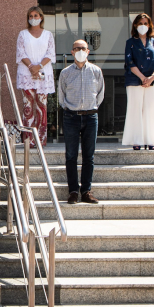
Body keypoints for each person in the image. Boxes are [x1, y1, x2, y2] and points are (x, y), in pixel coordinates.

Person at [59, 39, 104, 205]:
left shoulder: (96, 71)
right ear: (72, 52)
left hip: (91, 117)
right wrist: (69, 109)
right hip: (71, 117)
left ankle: (86, 191)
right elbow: (61, 96)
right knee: (70, 156)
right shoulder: (65, 73)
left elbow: (100, 93)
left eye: (83, 48)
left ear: (88, 51)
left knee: (88, 156)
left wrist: (92, 109)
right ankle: (73, 191)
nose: (80, 50)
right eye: (76, 48)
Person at [122, 13, 154, 151]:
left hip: (152, 81)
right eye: (140, 23)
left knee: (150, 110)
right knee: (135, 109)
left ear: (150, 26)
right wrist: (143, 78)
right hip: (134, 80)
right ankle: (136, 140)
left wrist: (152, 76)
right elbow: (129, 62)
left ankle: (151, 140)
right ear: (135, 25)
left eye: (146, 23)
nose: (143, 26)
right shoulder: (130, 42)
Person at [15, 6, 56, 147]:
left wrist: (39, 67)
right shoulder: (23, 34)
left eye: (36, 15)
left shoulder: (48, 34)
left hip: (43, 73)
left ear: (41, 17)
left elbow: (50, 53)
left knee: (42, 107)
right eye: (30, 16)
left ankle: (40, 139)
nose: (33, 18)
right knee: (27, 107)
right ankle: (28, 140)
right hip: (26, 73)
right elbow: (21, 53)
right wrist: (31, 67)